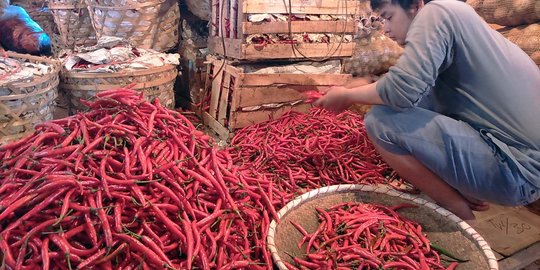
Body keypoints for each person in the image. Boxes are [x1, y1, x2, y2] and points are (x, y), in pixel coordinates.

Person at [314, 0, 540, 222]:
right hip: (521, 167)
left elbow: (401, 92)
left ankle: (455, 207)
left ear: (416, 5)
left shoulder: (437, 12)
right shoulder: (458, 18)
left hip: (516, 171)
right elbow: (416, 91)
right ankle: (465, 189)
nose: (386, 29)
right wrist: (364, 85)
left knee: (380, 121)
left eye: (389, 17)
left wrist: (347, 95)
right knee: (419, 104)